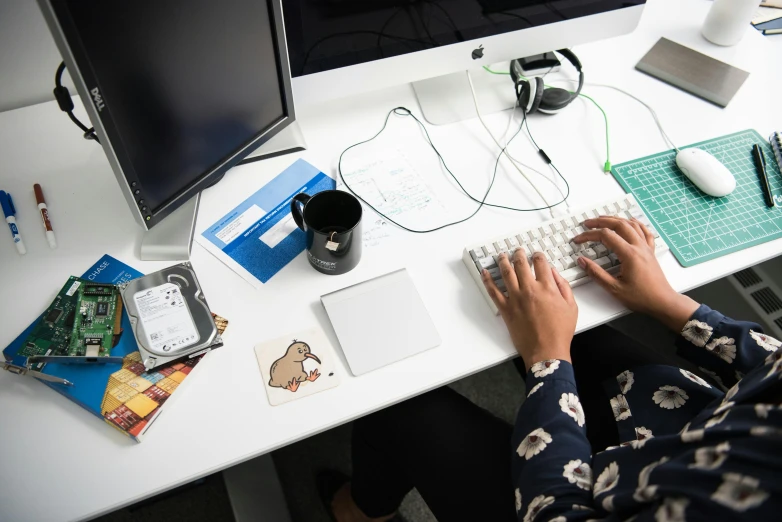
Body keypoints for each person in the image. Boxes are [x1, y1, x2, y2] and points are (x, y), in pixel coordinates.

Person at [319, 216, 782, 522]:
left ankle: (360, 512)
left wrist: (547, 359)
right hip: (681, 423)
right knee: (566, 314)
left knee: (400, 408)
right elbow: (769, 363)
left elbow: (558, 514)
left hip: (576, 504)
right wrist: (669, 304)